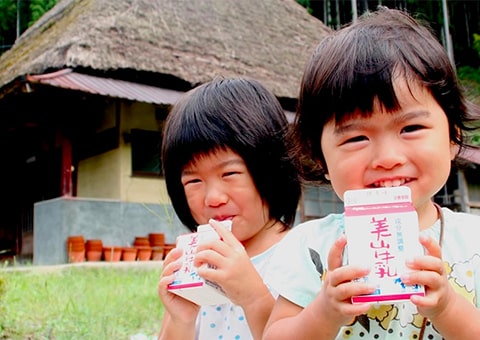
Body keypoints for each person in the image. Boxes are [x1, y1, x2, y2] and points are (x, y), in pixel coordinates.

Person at [262, 7, 480, 340]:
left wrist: (447, 307)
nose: (387, 158)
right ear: (320, 157)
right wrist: (325, 311)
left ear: (453, 138)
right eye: (356, 138)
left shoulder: (474, 240)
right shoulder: (312, 247)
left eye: (411, 128)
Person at [157, 77, 302, 339]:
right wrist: (179, 319)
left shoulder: (302, 254)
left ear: (272, 170)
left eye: (229, 173)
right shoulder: (197, 260)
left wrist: (253, 297)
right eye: (194, 181)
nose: (213, 198)